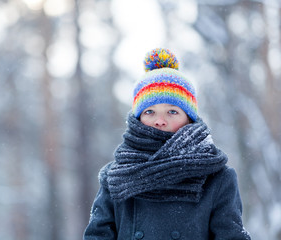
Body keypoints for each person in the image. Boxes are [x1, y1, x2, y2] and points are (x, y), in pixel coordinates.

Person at [83, 48, 251, 239]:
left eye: (172, 111)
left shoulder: (217, 178)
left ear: (189, 118)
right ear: (137, 118)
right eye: (149, 112)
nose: (159, 120)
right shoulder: (115, 176)